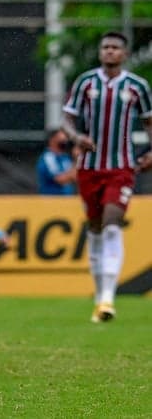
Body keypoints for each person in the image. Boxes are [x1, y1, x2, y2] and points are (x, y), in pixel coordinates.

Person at [61, 30, 152, 323]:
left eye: (115, 48)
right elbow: (67, 118)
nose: (109, 51)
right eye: (105, 47)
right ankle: (101, 297)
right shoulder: (86, 82)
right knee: (96, 229)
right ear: (101, 52)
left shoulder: (137, 86)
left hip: (121, 167)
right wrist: (76, 137)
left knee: (113, 225)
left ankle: (108, 299)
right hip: (89, 166)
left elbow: (149, 121)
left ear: (124, 54)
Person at [36, 129, 77, 195]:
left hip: (68, 200)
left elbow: (76, 177)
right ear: (52, 140)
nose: (65, 140)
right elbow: (60, 179)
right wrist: (76, 160)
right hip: (52, 201)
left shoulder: (65, 157)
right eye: (61, 138)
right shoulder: (48, 157)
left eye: (65, 138)